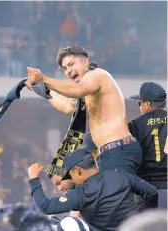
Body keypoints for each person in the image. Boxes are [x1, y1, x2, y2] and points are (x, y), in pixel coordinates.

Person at [26, 45, 142, 174]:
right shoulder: (87, 90)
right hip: (110, 153)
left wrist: (43, 78)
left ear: (85, 61)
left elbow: (76, 90)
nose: (69, 71)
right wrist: (40, 88)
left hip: (119, 150)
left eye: (71, 64)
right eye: (65, 68)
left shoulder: (98, 75)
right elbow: (67, 107)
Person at [28, 148, 158, 231]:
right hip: (136, 228)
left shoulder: (81, 194)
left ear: (78, 171)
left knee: (67, 224)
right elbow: (152, 192)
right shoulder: (120, 175)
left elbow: (46, 206)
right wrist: (143, 215)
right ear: (95, 163)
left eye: (71, 175)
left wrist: (33, 178)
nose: (72, 180)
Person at [128, 82, 167, 208]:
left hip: (148, 189)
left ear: (148, 104)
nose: (140, 107)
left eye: (140, 103)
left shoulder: (135, 125)